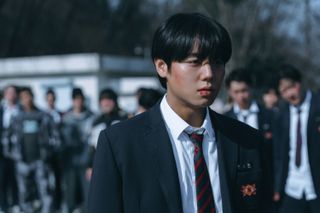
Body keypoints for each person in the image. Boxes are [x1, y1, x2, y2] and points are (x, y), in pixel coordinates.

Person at [89, 13, 268, 213]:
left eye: (217, 62)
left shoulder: (246, 141)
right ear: (162, 66)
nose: (209, 74)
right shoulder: (120, 144)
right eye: (195, 61)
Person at [224, 68, 275, 212]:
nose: (241, 96)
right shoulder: (225, 119)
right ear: (229, 92)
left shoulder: (268, 116)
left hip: (265, 183)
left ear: (251, 88)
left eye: (244, 90)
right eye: (236, 92)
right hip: (237, 186)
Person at [273, 64, 320, 212]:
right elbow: (279, 154)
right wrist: (277, 186)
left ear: (299, 84)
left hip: (316, 186)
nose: (289, 94)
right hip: (292, 187)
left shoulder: (317, 106)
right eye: (283, 91)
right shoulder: (282, 114)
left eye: (290, 88)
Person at [6, 87, 58, 213]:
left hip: (40, 161)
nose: (26, 100)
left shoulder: (43, 116)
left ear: (32, 97)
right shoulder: (16, 118)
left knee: (45, 191)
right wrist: (13, 154)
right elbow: (6, 138)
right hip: (23, 161)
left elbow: (56, 137)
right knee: (24, 193)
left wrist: (48, 153)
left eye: (28, 96)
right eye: (23, 98)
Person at [61, 87, 94, 212]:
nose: (78, 102)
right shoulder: (66, 119)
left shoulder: (92, 117)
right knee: (70, 196)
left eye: (80, 99)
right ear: (72, 100)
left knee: (88, 195)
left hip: (86, 163)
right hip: (70, 164)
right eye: (76, 99)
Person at [0, 85, 20, 212]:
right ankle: (3, 205)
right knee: (2, 179)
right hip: (2, 152)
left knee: (16, 179)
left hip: (18, 151)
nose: (11, 95)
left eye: (13, 92)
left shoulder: (20, 109)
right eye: (9, 93)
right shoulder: (1, 110)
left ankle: (16, 203)